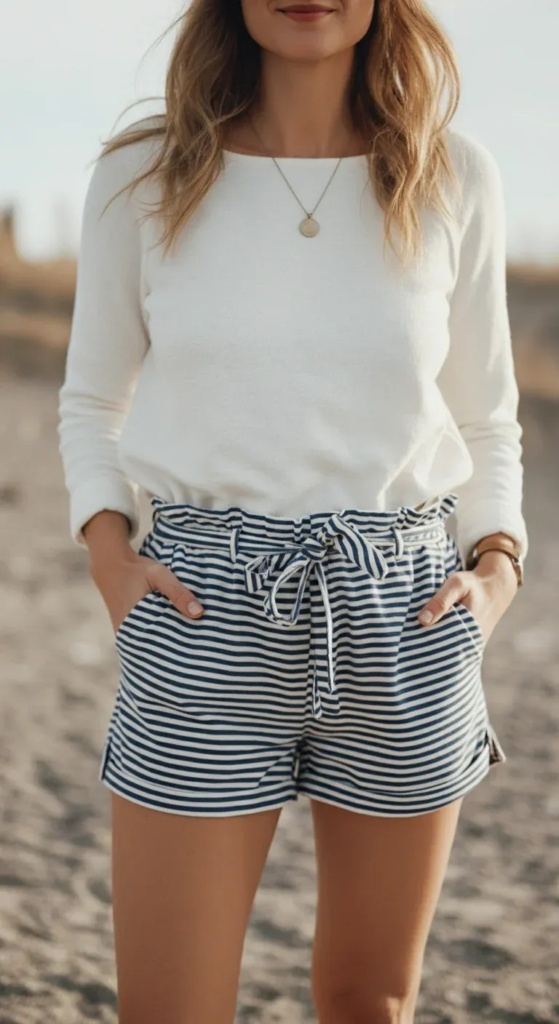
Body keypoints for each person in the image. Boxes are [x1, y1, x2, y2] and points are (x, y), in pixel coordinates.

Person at [57, 1, 529, 1021]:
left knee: (371, 1001)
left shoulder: (455, 176)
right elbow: (93, 400)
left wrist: (496, 572)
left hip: (405, 615)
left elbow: (487, 417)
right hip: (201, 608)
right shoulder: (142, 172)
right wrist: (110, 558)